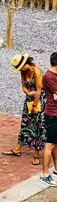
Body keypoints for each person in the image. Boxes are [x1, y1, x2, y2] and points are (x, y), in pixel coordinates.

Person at [2, 54, 46, 166]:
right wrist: (28, 93)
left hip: (38, 102)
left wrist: (35, 106)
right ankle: (18, 148)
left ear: (25, 64)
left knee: (37, 126)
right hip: (29, 100)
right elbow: (24, 87)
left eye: (20, 67)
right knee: (25, 124)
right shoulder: (23, 72)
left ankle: (36, 154)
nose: (20, 70)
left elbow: (39, 91)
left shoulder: (37, 72)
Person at [40, 52, 57, 186]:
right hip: (52, 115)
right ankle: (45, 174)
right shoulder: (49, 77)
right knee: (50, 144)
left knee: (56, 144)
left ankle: (56, 170)